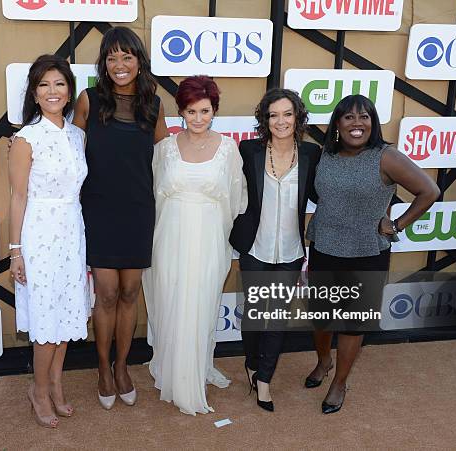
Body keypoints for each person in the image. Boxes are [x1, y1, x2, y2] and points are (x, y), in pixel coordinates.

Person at [304, 94, 440, 414]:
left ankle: (339, 382)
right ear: (337, 124)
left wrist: (396, 225)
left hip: (366, 253)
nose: (357, 124)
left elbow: (429, 191)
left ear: (373, 123)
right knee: (321, 316)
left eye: (364, 117)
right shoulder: (327, 154)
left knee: (352, 323)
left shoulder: (385, 156)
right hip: (324, 246)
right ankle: (323, 361)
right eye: (349, 117)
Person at [72, 26, 168, 410]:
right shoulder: (89, 100)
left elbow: (166, 161)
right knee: (107, 293)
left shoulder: (154, 104)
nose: (119, 64)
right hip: (99, 210)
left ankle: (123, 366)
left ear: (139, 60)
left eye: (127, 56)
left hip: (139, 211)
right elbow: (68, 153)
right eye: (111, 57)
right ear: (103, 63)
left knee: (130, 293)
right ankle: (101, 368)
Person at [142, 76, 247, 416]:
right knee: (172, 301)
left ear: (214, 110)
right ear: (181, 112)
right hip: (169, 235)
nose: (198, 118)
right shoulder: (165, 149)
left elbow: (235, 200)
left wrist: (218, 234)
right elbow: (155, 195)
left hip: (209, 237)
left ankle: (194, 373)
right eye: (191, 111)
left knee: (200, 305)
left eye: (205, 110)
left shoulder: (229, 149)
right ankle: (172, 372)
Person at [9, 54, 90, 428]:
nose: (52, 91)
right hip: (39, 233)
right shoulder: (26, 138)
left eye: (59, 83)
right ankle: (38, 391)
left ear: (69, 91)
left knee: (67, 314)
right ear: (35, 94)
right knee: (46, 321)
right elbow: (18, 197)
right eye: (44, 85)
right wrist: (16, 252)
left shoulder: (78, 136)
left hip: (72, 231)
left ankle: (56, 386)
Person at [229, 88, 320, 412]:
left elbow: (324, 194)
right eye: (274, 115)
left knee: (276, 317)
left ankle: (264, 379)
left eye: (287, 114)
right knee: (255, 316)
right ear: (265, 120)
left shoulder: (311, 154)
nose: (281, 121)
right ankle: (252, 364)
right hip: (255, 247)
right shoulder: (249, 150)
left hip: (291, 250)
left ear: (298, 117)